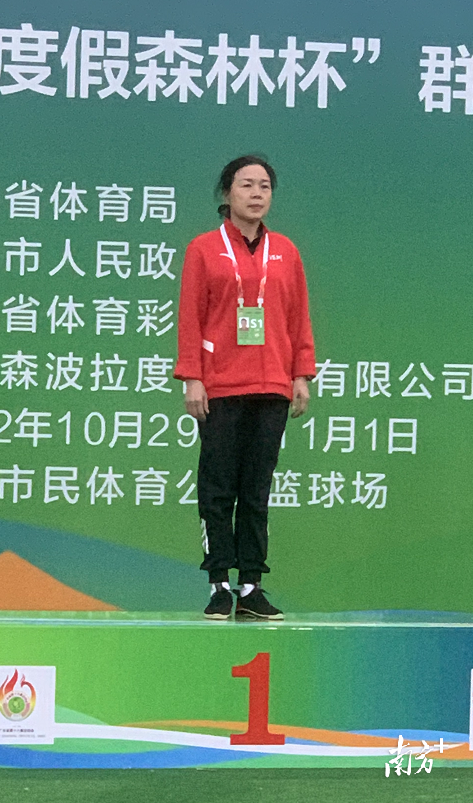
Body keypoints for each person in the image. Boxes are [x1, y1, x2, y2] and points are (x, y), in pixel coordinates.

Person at [174, 155, 315, 620]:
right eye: (246, 185)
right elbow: (190, 317)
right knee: (218, 488)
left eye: (264, 186)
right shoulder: (203, 249)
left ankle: (251, 586)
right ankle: (219, 584)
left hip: (272, 383)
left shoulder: (286, 251)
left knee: (257, 489)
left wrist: (300, 373)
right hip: (220, 385)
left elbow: (298, 316)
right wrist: (193, 377)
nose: (256, 194)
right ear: (227, 192)